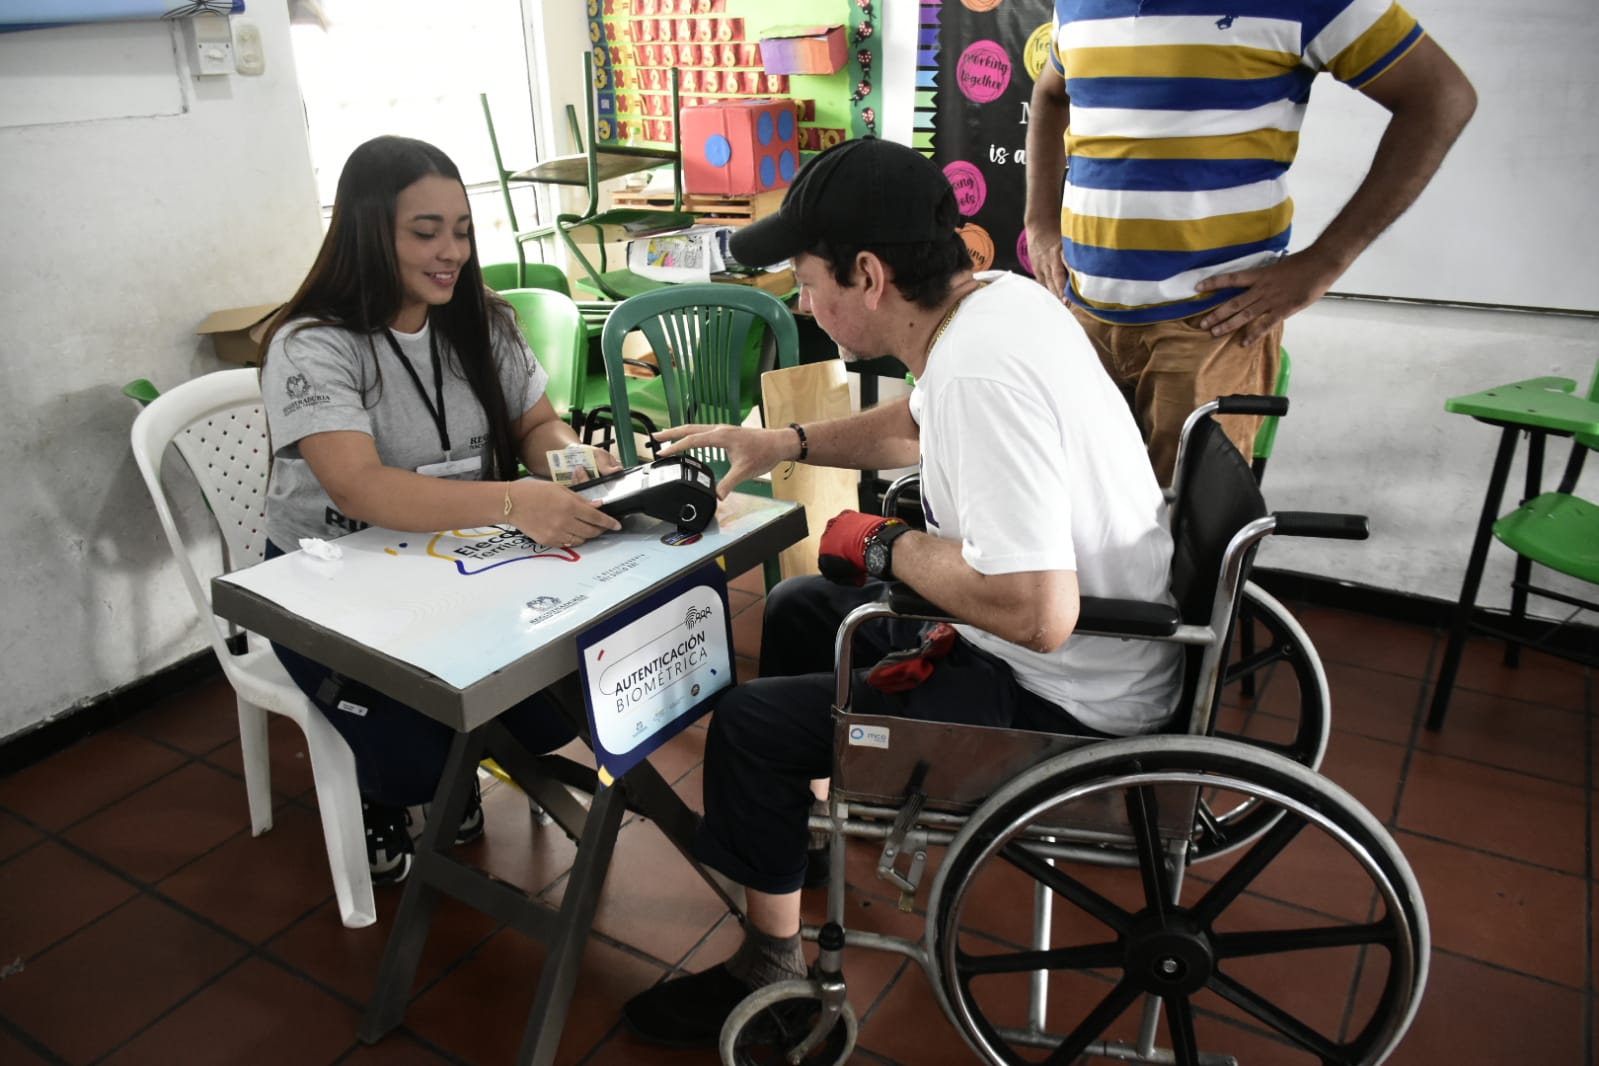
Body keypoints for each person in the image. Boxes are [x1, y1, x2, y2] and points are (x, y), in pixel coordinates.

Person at [621, 136, 1182, 1047]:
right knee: (805, 610)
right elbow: (911, 428)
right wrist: (785, 443)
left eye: (808, 282)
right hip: (1106, 649)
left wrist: (883, 543)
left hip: (1062, 698)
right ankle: (803, 834)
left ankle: (767, 969)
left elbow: (1037, 612)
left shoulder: (981, 373)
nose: (804, 303)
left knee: (751, 728)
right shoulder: (994, 303)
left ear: (869, 274)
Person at [258, 135, 622, 885]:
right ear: (367, 231)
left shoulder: (480, 321)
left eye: (460, 230)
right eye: (425, 233)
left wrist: (573, 460)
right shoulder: (313, 344)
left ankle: (452, 768)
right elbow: (361, 487)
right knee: (414, 762)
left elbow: (535, 425)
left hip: (454, 558)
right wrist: (518, 499)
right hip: (331, 585)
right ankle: (381, 792)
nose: (449, 251)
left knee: (549, 715)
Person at [1025, 0, 1477, 484]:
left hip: (1210, 326)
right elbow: (1052, 95)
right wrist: (1039, 221)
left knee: (1187, 538)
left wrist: (1326, 261)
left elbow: (1442, 97)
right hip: (1084, 316)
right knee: (1076, 524)